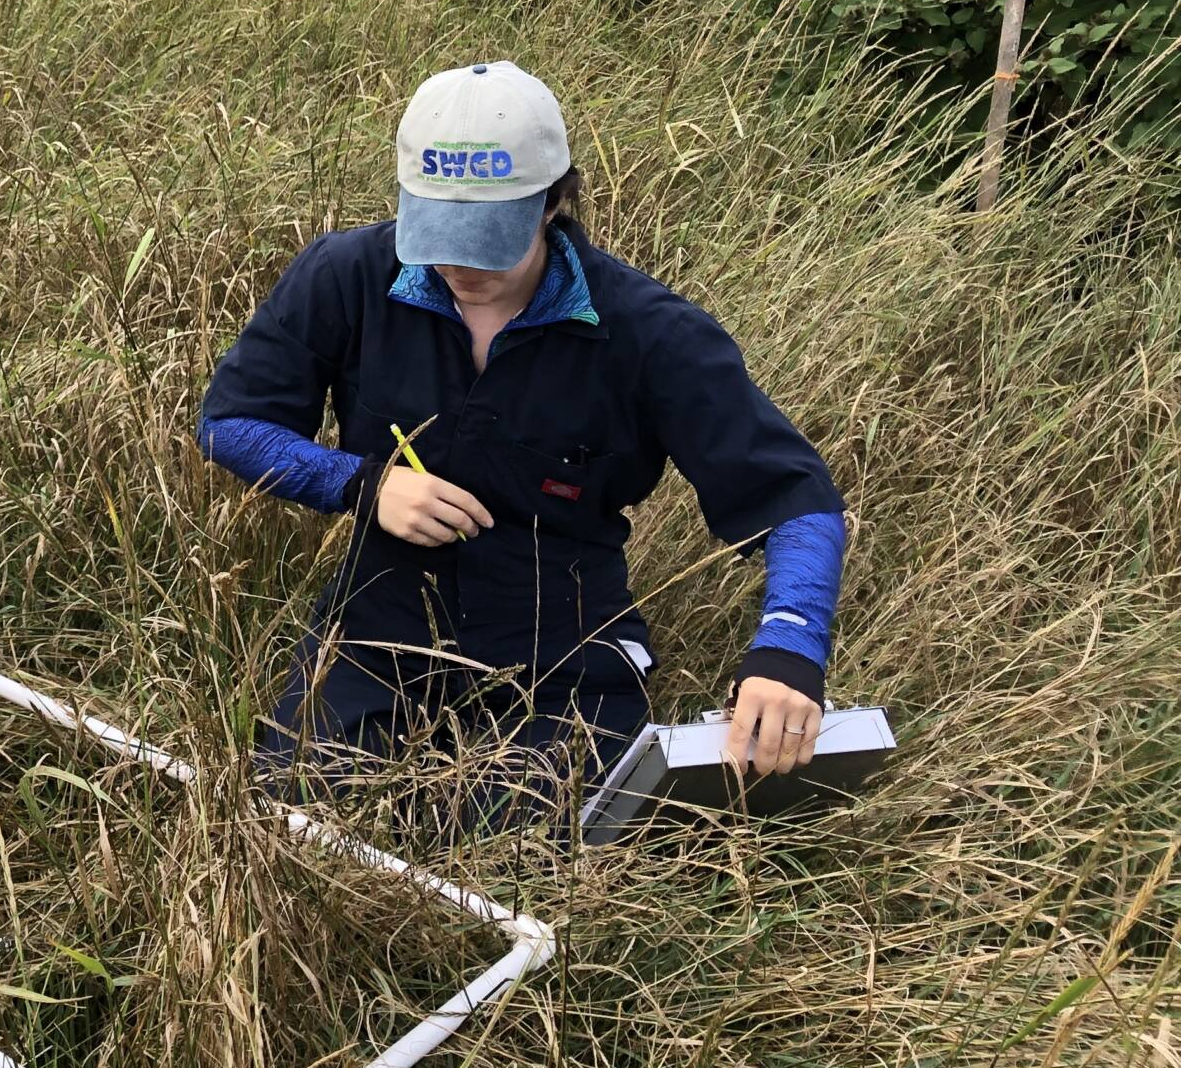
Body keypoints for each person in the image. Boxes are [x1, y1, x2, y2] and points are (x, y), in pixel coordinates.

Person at [198, 61, 847, 828]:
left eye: (489, 237)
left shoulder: (654, 333)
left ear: (552, 201)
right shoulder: (344, 276)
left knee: (543, 845)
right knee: (300, 823)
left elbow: (797, 505)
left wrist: (789, 649)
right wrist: (360, 483)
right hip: (377, 626)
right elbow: (231, 423)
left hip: (568, 653)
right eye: (440, 231)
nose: (462, 265)